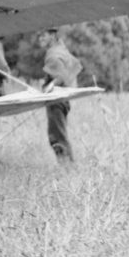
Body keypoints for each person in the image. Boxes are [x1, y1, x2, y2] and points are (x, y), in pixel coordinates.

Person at [38, 28, 82, 161]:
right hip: (63, 99)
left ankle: (68, 170)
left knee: (57, 138)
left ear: (52, 35)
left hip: (56, 101)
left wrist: (49, 86)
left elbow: (61, 77)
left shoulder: (54, 54)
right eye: (39, 36)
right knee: (59, 135)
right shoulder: (61, 48)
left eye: (43, 35)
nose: (40, 39)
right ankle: (68, 167)